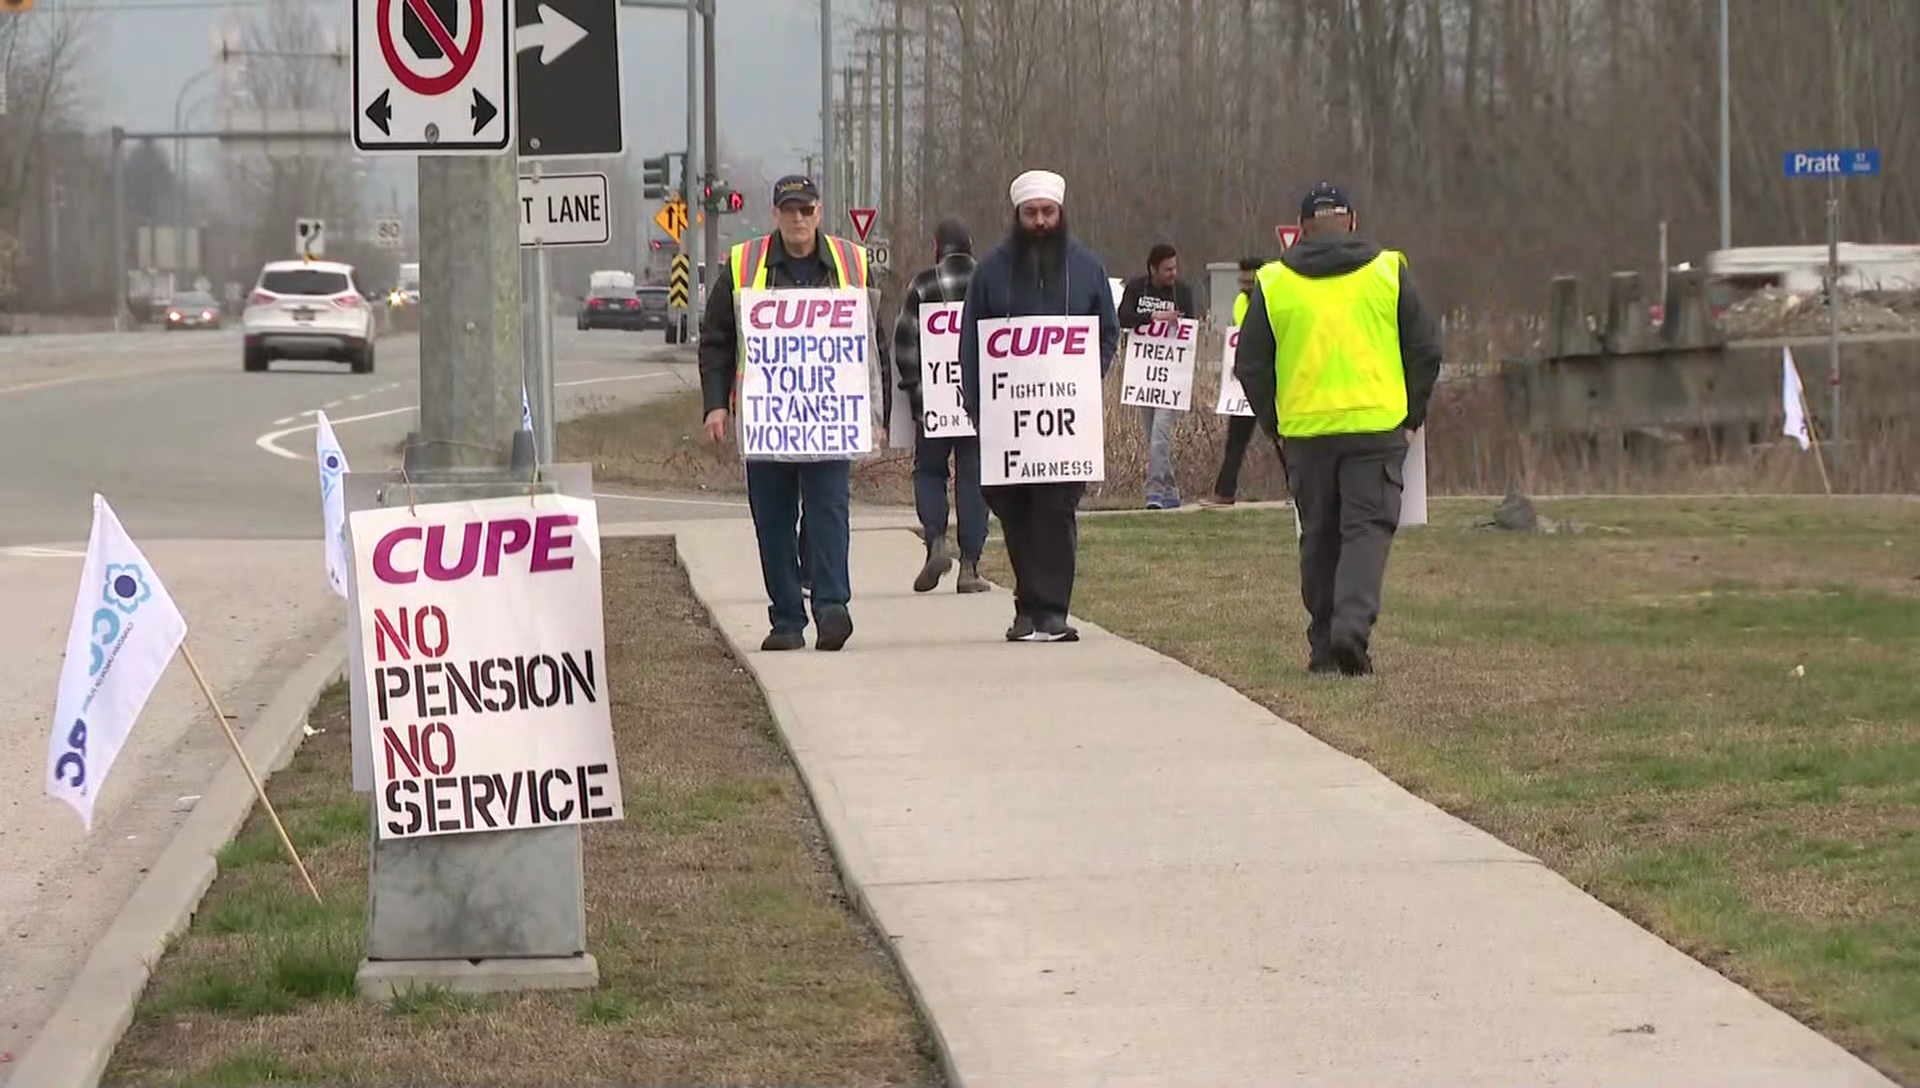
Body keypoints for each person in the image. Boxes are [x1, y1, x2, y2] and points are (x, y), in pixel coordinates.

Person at [1234, 182, 1442, 676]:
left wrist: (1275, 425)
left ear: (1301, 229)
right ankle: (1351, 629)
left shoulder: (1274, 281)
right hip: (1377, 426)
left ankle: (1324, 646)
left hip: (1306, 432)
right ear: (1352, 222)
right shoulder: (1389, 271)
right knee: (1365, 532)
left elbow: (1252, 365)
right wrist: (1412, 417)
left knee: (1320, 535)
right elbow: (1426, 349)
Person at [698, 174, 886, 652]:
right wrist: (716, 404)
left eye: (806, 210)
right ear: (775, 215)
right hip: (769, 420)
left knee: (829, 512)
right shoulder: (744, 265)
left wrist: (877, 415)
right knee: (774, 520)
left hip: (829, 417)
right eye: (789, 211)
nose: (798, 219)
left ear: (820, 212)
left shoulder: (850, 262)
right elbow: (717, 339)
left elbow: (873, 344)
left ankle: (831, 608)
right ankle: (786, 619)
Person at [959, 169, 1120, 643]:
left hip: (1066, 422)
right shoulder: (989, 272)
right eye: (1031, 214)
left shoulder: (1086, 268)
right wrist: (977, 407)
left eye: (1048, 212)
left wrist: (1089, 380)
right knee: (1015, 510)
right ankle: (1027, 605)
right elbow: (971, 341)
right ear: (1017, 216)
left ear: (1061, 213)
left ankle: (1052, 611)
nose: (1041, 221)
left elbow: (1106, 332)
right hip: (1006, 422)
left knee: (1056, 509)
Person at [893, 218, 988, 594]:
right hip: (980, 400)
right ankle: (970, 565)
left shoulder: (922, 284)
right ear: (971, 245)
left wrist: (915, 389)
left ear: (937, 247)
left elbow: (904, 342)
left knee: (930, 471)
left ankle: (935, 541)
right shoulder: (990, 282)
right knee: (974, 478)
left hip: (935, 398)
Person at [1116, 243, 1198, 510]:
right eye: (1167, 269)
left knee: (1160, 436)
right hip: (1144, 374)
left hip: (1170, 376)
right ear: (1152, 269)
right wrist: (1154, 317)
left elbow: (1192, 329)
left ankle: (1154, 492)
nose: (1173, 273)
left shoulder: (1182, 293)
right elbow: (1123, 317)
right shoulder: (1137, 289)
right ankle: (1171, 491)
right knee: (1152, 435)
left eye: (1175, 267)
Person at [1199, 256, 1267, 508]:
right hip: (1247, 382)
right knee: (1236, 437)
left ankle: (1300, 491)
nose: (1245, 285)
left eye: (1250, 280)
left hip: (1270, 380)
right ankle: (1224, 491)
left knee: (1285, 437)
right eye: (1243, 280)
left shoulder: (1272, 300)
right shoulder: (1241, 301)